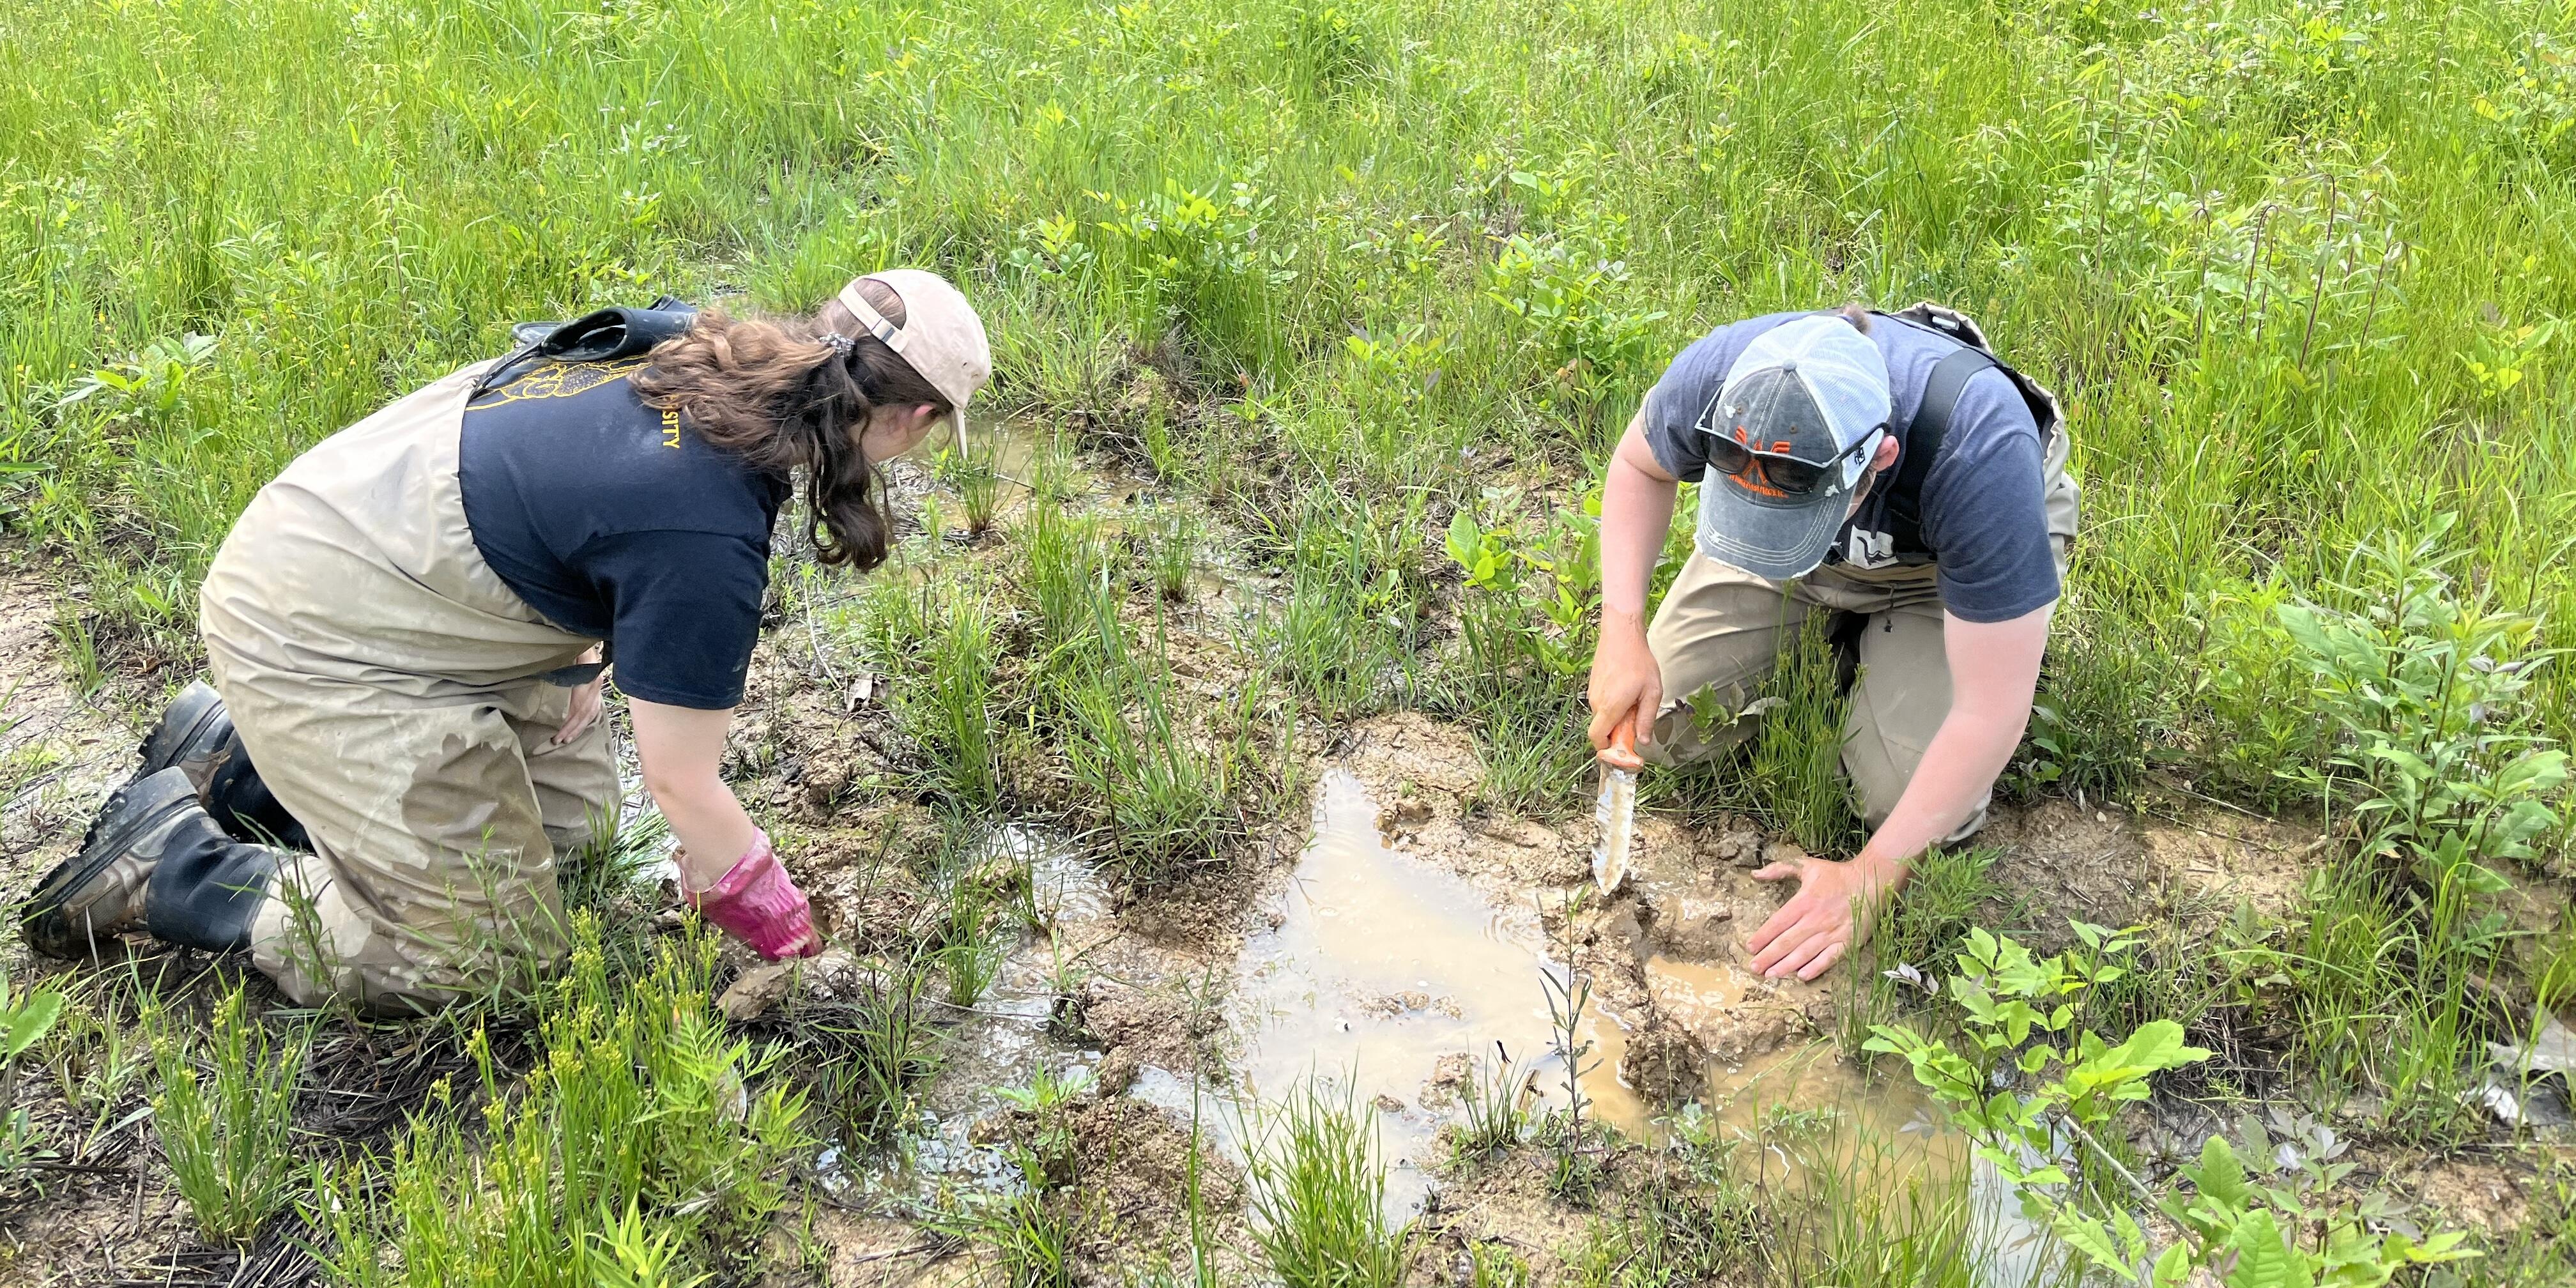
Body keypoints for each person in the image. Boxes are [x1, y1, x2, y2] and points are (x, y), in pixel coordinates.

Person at [22, 271, 992, 1014]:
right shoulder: (706, 529)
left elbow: (573, 497)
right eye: (932, 436)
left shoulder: (714, 351)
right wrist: (773, 919)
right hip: (318, 627)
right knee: (492, 958)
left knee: (575, 835)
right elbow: (686, 784)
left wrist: (574, 651)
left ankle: (242, 765)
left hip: (375, 549)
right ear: (910, 418)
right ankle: (175, 864)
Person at [1586, 305, 2078, 982]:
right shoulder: (1725, 379)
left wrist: (1870, 879)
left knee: (1898, 805)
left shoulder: (1980, 451)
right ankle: (1837, 631)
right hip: (1814, 556)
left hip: (1935, 575)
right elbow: (1640, 466)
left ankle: (1902, 651)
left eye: (1785, 510)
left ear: (1878, 459)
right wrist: (1622, 632)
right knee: (1662, 726)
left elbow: (1990, 711)